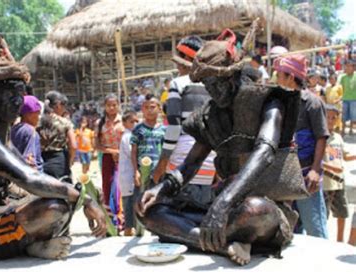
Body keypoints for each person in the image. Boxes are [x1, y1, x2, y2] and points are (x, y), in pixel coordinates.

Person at [136, 27, 306, 266]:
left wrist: (224, 202)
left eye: (216, 83)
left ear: (232, 75)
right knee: (149, 210)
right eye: (207, 84)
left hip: (260, 211)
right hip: (221, 210)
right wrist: (161, 188)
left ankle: (203, 238)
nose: (212, 91)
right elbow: (190, 164)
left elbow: (264, 153)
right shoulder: (210, 115)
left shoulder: (270, 102)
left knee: (255, 209)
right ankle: (224, 246)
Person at [0, 46, 106, 262]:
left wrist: (76, 193)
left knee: (62, 194)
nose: (17, 102)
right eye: (10, 94)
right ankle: (33, 244)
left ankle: (34, 244)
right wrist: (85, 199)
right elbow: (28, 178)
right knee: (56, 206)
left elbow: (29, 171)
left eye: (20, 95)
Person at [152, 35, 216, 189]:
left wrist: (162, 162)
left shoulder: (178, 83)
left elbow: (174, 127)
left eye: (178, 61)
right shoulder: (214, 85)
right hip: (211, 160)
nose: (177, 67)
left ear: (186, 58)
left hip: (183, 161)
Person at [294, 69, 330, 239]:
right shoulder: (281, 101)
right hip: (286, 176)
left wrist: (315, 169)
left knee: (315, 227)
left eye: (279, 75)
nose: (276, 79)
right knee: (291, 229)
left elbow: (321, 137)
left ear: (290, 77)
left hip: (306, 174)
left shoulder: (313, 103)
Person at [322, 105, 356, 242]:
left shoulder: (337, 137)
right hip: (324, 184)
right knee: (324, 215)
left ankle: (339, 241)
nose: (330, 120)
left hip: (339, 183)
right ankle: (323, 241)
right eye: (327, 117)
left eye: (333, 118)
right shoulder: (320, 137)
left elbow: (345, 156)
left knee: (342, 214)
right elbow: (316, 160)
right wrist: (331, 168)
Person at [38, 91, 77, 179]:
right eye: (64, 105)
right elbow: (73, 146)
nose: (65, 108)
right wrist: (70, 161)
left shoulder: (37, 121)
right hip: (60, 161)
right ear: (58, 105)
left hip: (40, 161)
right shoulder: (64, 122)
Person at [131, 95, 166, 190]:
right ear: (142, 109)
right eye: (146, 107)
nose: (149, 110)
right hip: (143, 174)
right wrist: (135, 172)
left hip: (160, 173)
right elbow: (134, 152)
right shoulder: (137, 129)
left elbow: (167, 153)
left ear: (159, 109)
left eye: (152, 107)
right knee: (142, 201)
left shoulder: (164, 130)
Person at [95, 94, 123, 212]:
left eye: (114, 105)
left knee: (119, 185)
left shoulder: (124, 121)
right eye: (108, 105)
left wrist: (120, 152)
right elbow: (96, 145)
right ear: (104, 107)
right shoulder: (99, 123)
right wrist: (112, 152)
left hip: (123, 157)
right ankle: (108, 216)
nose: (111, 108)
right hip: (106, 157)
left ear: (118, 105)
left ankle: (121, 216)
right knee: (107, 185)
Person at [118, 110, 138, 236]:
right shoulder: (128, 137)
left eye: (136, 121)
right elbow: (133, 154)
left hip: (130, 176)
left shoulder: (132, 135)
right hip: (129, 176)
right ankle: (128, 231)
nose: (135, 124)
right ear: (124, 123)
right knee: (129, 205)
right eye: (132, 122)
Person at [11, 95, 43, 172]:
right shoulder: (30, 131)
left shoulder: (14, 129)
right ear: (28, 115)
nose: (39, 117)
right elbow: (29, 160)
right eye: (37, 113)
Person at [340, 59, 356, 136]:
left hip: (354, 99)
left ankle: (351, 129)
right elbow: (341, 88)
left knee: (353, 115)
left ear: (353, 68)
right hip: (345, 99)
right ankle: (342, 129)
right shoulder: (343, 77)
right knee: (344, 115)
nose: (348, 68)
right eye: (347, 66)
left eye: (350, 66)